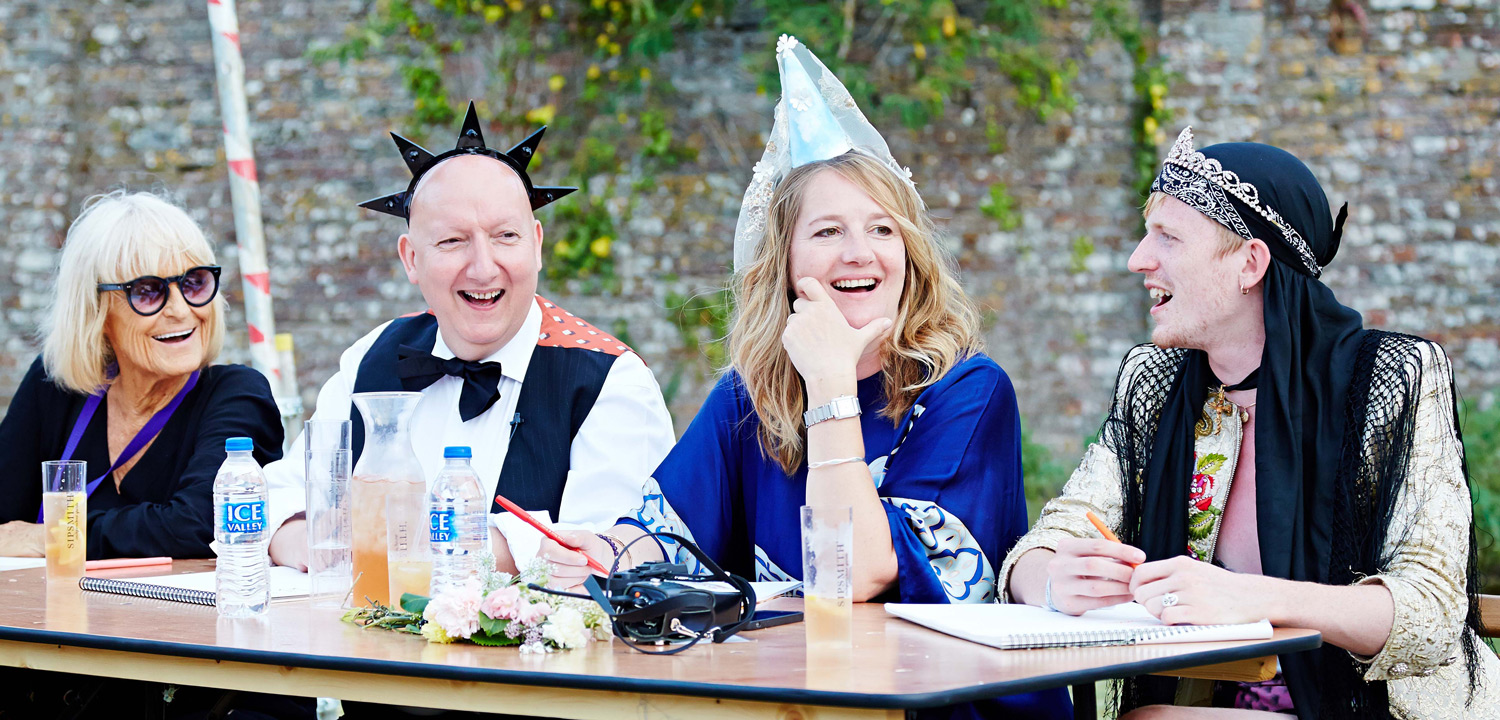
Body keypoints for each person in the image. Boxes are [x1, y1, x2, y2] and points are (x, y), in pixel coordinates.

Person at [541, 36, 1071, 720]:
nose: (860, 253)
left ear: (907, 252)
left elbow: (855, 573)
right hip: (798, 699)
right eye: (827, 233)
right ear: (785, 261)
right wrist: (608, 551)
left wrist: (829, 387)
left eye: (882, 229)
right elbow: (666, 534)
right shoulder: (750, 394)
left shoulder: (967, 391)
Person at [1001, 128, 1500, 718]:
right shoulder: (1156, 384)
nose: (1139, 258)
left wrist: (1247, 597)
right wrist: (1054, 578)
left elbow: (1433, 612)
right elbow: (1049, 539)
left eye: (1167, 236)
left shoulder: (1391, 380)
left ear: (1249, 263)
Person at [263, 103, 675, 572]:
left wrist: (408, 553)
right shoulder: (372, 357)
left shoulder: (612, 382)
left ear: (537, 245)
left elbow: (606, 553)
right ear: (411, 259)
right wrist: (313, 545)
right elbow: (283, 499)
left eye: (505, 236)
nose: (482, 267)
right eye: (452, 241)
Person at [0, 191, 283, 559]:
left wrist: (51, 536)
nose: (181, 310)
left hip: (177, 617)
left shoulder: (237, 395)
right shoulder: (56, 386)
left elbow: (201, 526)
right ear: (95, 311)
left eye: (194, 283)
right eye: (148, 292)